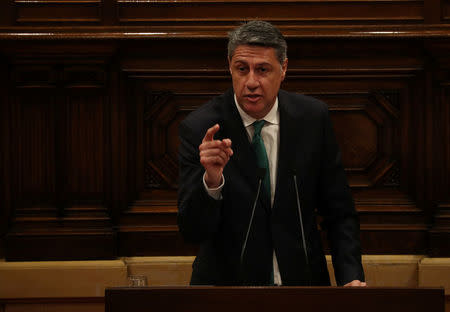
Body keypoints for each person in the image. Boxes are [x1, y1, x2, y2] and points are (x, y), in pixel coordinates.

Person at [177, 20, 366, 286]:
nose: (251, 82)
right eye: (242, 69)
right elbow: (192, 231)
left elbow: (339, 211)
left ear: (284, 69)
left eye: (263, 70)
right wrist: (211, 183)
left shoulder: (312, 119)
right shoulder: (202, 129)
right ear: (229, 68)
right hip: (228, 293)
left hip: (303, 288)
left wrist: (351, 277)